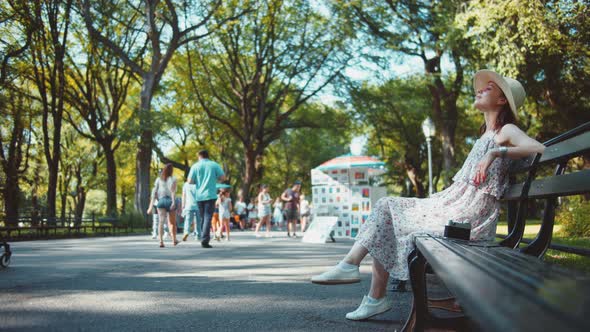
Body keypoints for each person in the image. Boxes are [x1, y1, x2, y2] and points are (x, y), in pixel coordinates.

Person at [310, 69, 546, 321]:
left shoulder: (505, 130)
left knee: (389, 208)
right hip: (454, 204)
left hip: (469, 216)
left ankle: (361, 281)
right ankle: (366, 288)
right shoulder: (484, 136)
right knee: (387, 209)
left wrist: (495, 153)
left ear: (502, 101)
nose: (479, 90)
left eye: (488, 88)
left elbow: (538, 147)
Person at [188, 150, 225, 248]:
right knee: (208, 217)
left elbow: (190, 181)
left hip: (199, 195)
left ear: (199, 156)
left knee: (202, 218)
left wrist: (199, 181)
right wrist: (213, 180)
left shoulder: (195, 166)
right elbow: (223, 177)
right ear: (207, 156)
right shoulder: (214, 165)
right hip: (211, 195)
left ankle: (203, 237)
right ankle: (205, 240)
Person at [147, 163, 179, 248]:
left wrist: (150, 207)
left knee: (161, 221)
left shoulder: (158, 179)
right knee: (172, 223)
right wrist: (173, 202)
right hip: (169, 200)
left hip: (161, 202)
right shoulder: (173, 179)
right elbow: (173, 192)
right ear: (171, 170)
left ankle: (161, 241)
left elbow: (154, 193)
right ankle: (174, 240)